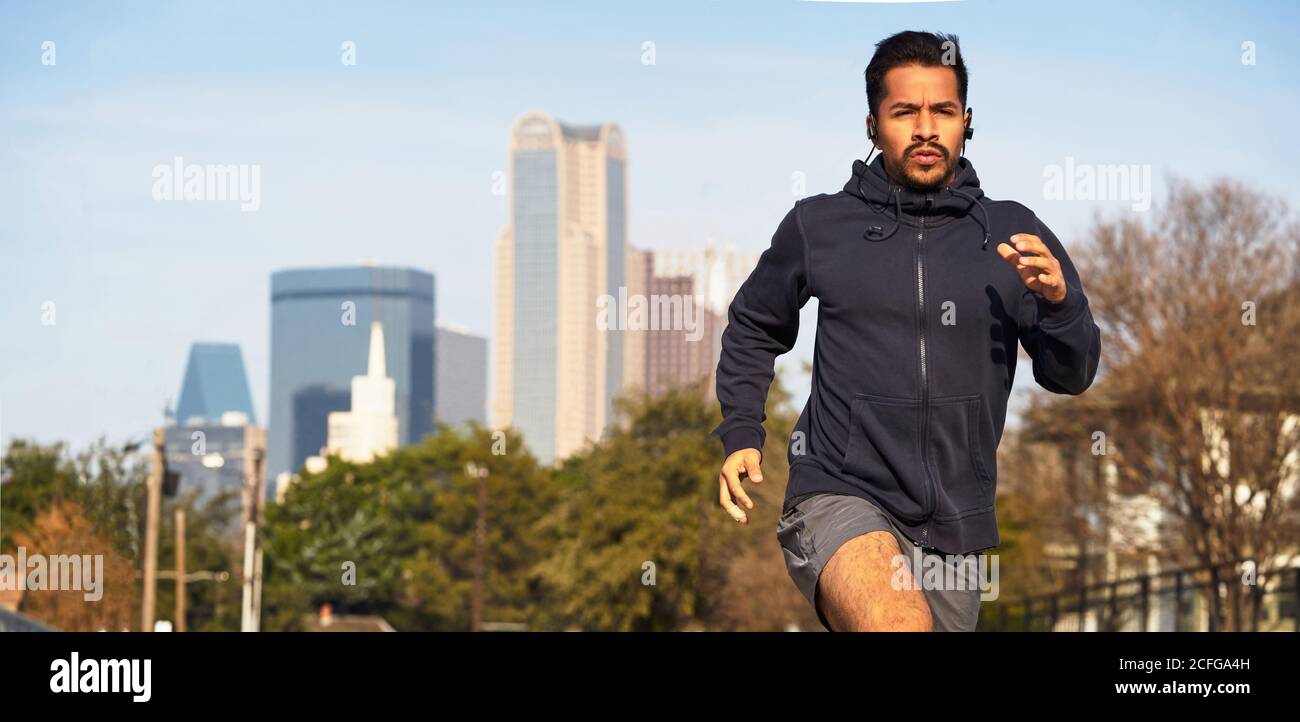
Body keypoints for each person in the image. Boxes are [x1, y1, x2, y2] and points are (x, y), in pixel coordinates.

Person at [711, 30, 1101, 631]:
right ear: (873, 125)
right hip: (837, 494)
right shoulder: (821, 226)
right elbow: (753, 326)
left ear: (967, 121)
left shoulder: (1012, 233)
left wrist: (1060, 303)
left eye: (942, 111)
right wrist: (741, 429)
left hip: (957, 527)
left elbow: (1070, 375)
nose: (925, 128)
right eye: (904, 112)